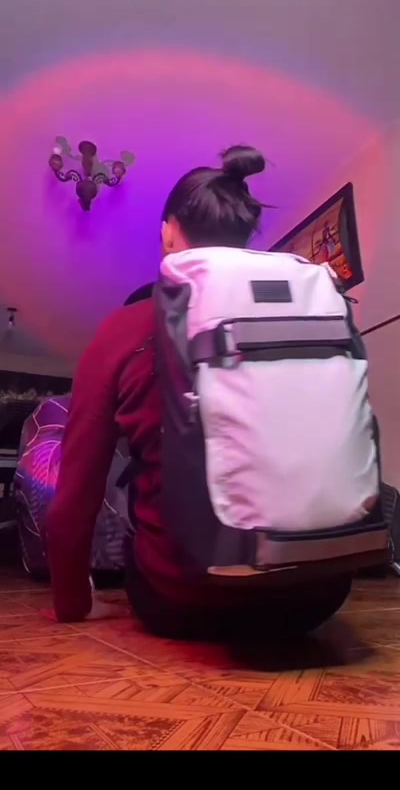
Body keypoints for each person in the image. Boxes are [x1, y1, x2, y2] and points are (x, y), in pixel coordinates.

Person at [46, 145, 351, 639]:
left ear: (168, 232)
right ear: (247, 237)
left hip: (184, 599)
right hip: (320, 592)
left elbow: (76, 494)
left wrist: (72, 603)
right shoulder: (310, 308)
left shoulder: (126, 328)